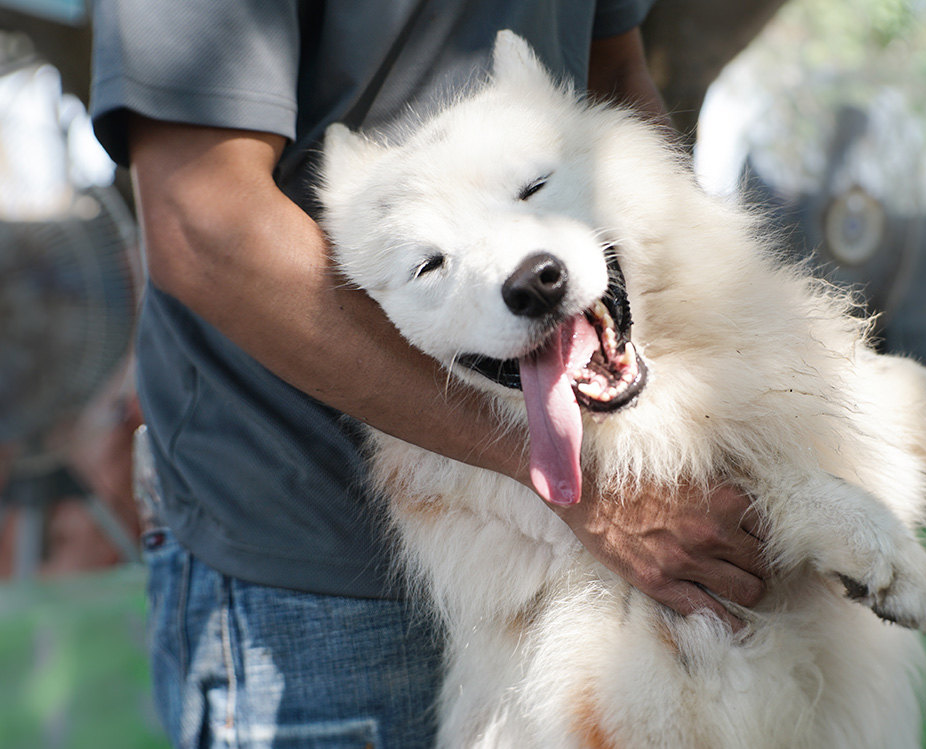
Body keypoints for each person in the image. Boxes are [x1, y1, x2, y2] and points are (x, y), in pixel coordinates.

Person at [90, 2, 769, 747]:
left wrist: (746, 361)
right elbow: (205, 224)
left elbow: (611, 74)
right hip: (322, 576)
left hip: (619, 549)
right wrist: (584, 485)